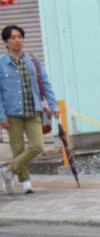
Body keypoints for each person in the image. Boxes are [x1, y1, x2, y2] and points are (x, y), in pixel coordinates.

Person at [0, 24, 56, 195]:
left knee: (37, 146)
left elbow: (45, 83)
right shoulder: (1, 64)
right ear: (6, 42)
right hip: (12, 113)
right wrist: (1, 116)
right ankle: (25, 182)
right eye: (13, 38)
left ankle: (8, 170)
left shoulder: (33, 60)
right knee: (18, 149)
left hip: (33, 110)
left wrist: (53, 105)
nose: (17, 40)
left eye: (20, 37)